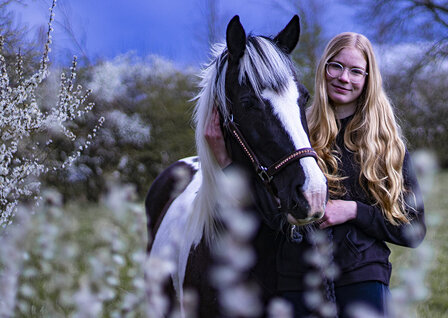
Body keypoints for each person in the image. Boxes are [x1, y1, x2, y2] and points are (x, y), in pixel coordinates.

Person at [205, 32, 425, 318]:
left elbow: (414, 230)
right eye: (337, 66)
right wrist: (226, 163)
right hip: (298, 283)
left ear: (369, 78)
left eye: (356, 70)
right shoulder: (293, 134)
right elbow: (270, 217)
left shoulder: (387, 144)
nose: (344, 78)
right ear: (324, 68)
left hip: (362, 279)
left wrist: (353, 211)